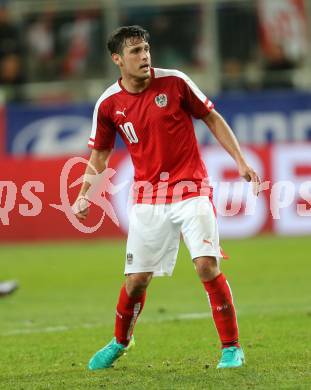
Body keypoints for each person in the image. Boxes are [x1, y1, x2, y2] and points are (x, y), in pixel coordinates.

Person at [73, 25, 261, 370]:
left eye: (146, 49)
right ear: (118, 59)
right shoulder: (108, 103)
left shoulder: (175, 82)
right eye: (135, 52)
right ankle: (119, 342)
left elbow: (212, 118)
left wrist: (241, 161)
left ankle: (232, 348)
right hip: (148, 198)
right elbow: (99, 155)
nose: (144, 56)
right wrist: (85, 194)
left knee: (206, 264)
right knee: (135, 281)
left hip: (192, 189)